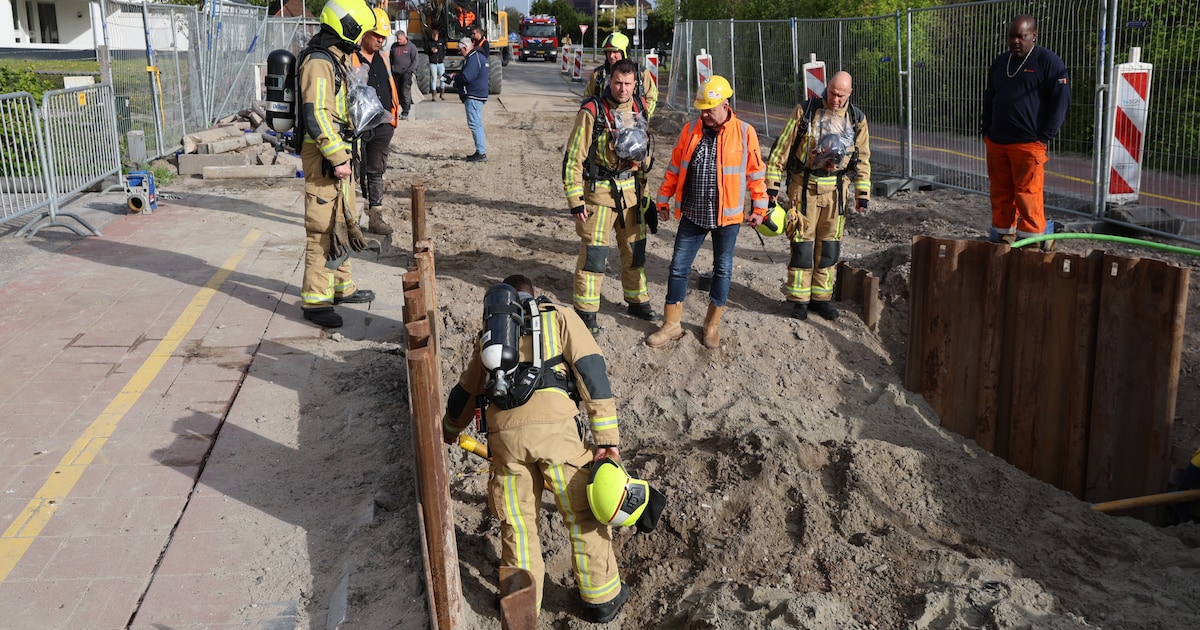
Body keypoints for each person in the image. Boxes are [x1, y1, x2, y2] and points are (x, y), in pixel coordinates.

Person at [441, 274, 631, 623]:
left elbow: (466, 392)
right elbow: (592, 373)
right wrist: (606, 440)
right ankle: (601, 598)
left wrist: (449, 431)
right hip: (557, 436)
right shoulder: (559, 316)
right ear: (534, 296)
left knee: (517, 523)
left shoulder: (490, 337)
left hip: (506, 440)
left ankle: (523, 607)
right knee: (580, 514)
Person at [648, 76, 767, 349]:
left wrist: (760, 208)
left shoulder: (745, 132)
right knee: (678, 267)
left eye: (709, 109)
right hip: (692, 213)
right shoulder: (691, 130)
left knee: (722, 270)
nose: (704, 115)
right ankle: (672, 324)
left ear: (725, 105)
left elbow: (756, 175)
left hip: (728, 218)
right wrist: (663, 199)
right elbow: (674, 167)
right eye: (701, 109)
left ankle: (711, 325)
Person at [296, 0, 377, 328]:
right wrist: (338, 157)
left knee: (343, 222)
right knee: (322, 228)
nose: (361, 40)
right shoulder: (319, 61)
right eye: (360, 32)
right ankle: (315, 301)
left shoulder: (334, 58)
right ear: (348, 26)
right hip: (325, 154)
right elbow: (316, 114)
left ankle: (341, 286)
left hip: (338, 150)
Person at [765, 70, 871, 322]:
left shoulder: (857, 119)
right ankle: (799, 300)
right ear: (827, 88)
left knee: (829, 246)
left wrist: (862, 192)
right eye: (832, 93)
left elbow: (864, 157)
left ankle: (821, 299)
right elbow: (782, 147)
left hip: (836, 191)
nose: (835, 99)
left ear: (850, 94)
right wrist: (772, 185)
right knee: (802, 243)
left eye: (841, 95)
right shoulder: (806, 111)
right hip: (805, 188)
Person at [562, 59, 658, 335]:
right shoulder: (592, 111)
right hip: (599, 196)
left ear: (635, 84)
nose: (622, 89)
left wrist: (647, 198)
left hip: (632, 197)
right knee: (595, 255)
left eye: (628, 84)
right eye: (618, 82)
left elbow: (643, 157)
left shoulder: (639, 108)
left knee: (635, 252)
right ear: (609, 81)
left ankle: (637, 300)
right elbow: (573, 159)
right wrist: (575, 200)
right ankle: (586, 310)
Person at [982, 14, 1070, 249]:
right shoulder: (1001, 62)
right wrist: (986, 130)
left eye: (1021, 36)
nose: (1016, 41)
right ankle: (1004, 235)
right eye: (1012, 36)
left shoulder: (1048, 62)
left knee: (1028, 193)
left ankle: (1031, 240)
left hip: (1029, 142)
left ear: (1033, 35)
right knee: (1000, 191)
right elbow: (990, 96)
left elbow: (1060, 101)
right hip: (998, 141)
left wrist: (1044, 136)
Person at [353, 8, 398, 235]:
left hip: (382, 125)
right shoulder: (351, 58)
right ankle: (350, 217)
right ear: (365, 33)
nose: (380, 40)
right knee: (353, 171)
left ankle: (375, 218)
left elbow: (390, 86)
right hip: (359, 126)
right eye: (376, 35)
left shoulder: (384, 58)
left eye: (383, 37)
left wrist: (392, 117)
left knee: (376, 171)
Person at [584, 33, 658, 118]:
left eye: (615, 52)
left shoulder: (641, 73)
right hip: (604, 123)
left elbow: (652, 97)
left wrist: (644, 117)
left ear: (624, 52)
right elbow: (587, 98)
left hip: (633, 123)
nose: (611, 56)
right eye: (608, 52)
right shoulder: (597, 75)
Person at [451, 36, 489, 162]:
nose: (460, 53)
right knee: (477, 123)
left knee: (475, 124)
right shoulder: (480, 57)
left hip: (474, 95)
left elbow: (467, 77)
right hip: (479, 94)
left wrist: (456, 78)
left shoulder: (473, 58)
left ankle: (481, 152)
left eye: (460, 50)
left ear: (466, 48)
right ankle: (480, 151)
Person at [389, 31, 418, 120]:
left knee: (404, 92)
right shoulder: (394, 46)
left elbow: (415, 60)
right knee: (395, 92)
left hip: (406, 73)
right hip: (395, 73)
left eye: (400, 39)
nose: (398, 41)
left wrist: (410, 71)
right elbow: (391, 59)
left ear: (405, 37)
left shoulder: (411, 47)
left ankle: (405, 111)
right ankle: (395, 110)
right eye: (397, 39)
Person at [426, 28, 447, 100]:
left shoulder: (441, 41)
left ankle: (442, 93)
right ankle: (434, 95)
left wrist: (442, 57)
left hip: (440, 63)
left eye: (436, 36)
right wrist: (431, 50)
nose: (435, 38)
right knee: (434, 78)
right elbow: (426, 50)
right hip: (433, 63)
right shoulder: (429, 42)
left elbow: (443, 50)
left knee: (443, 78)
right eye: (434, 36)